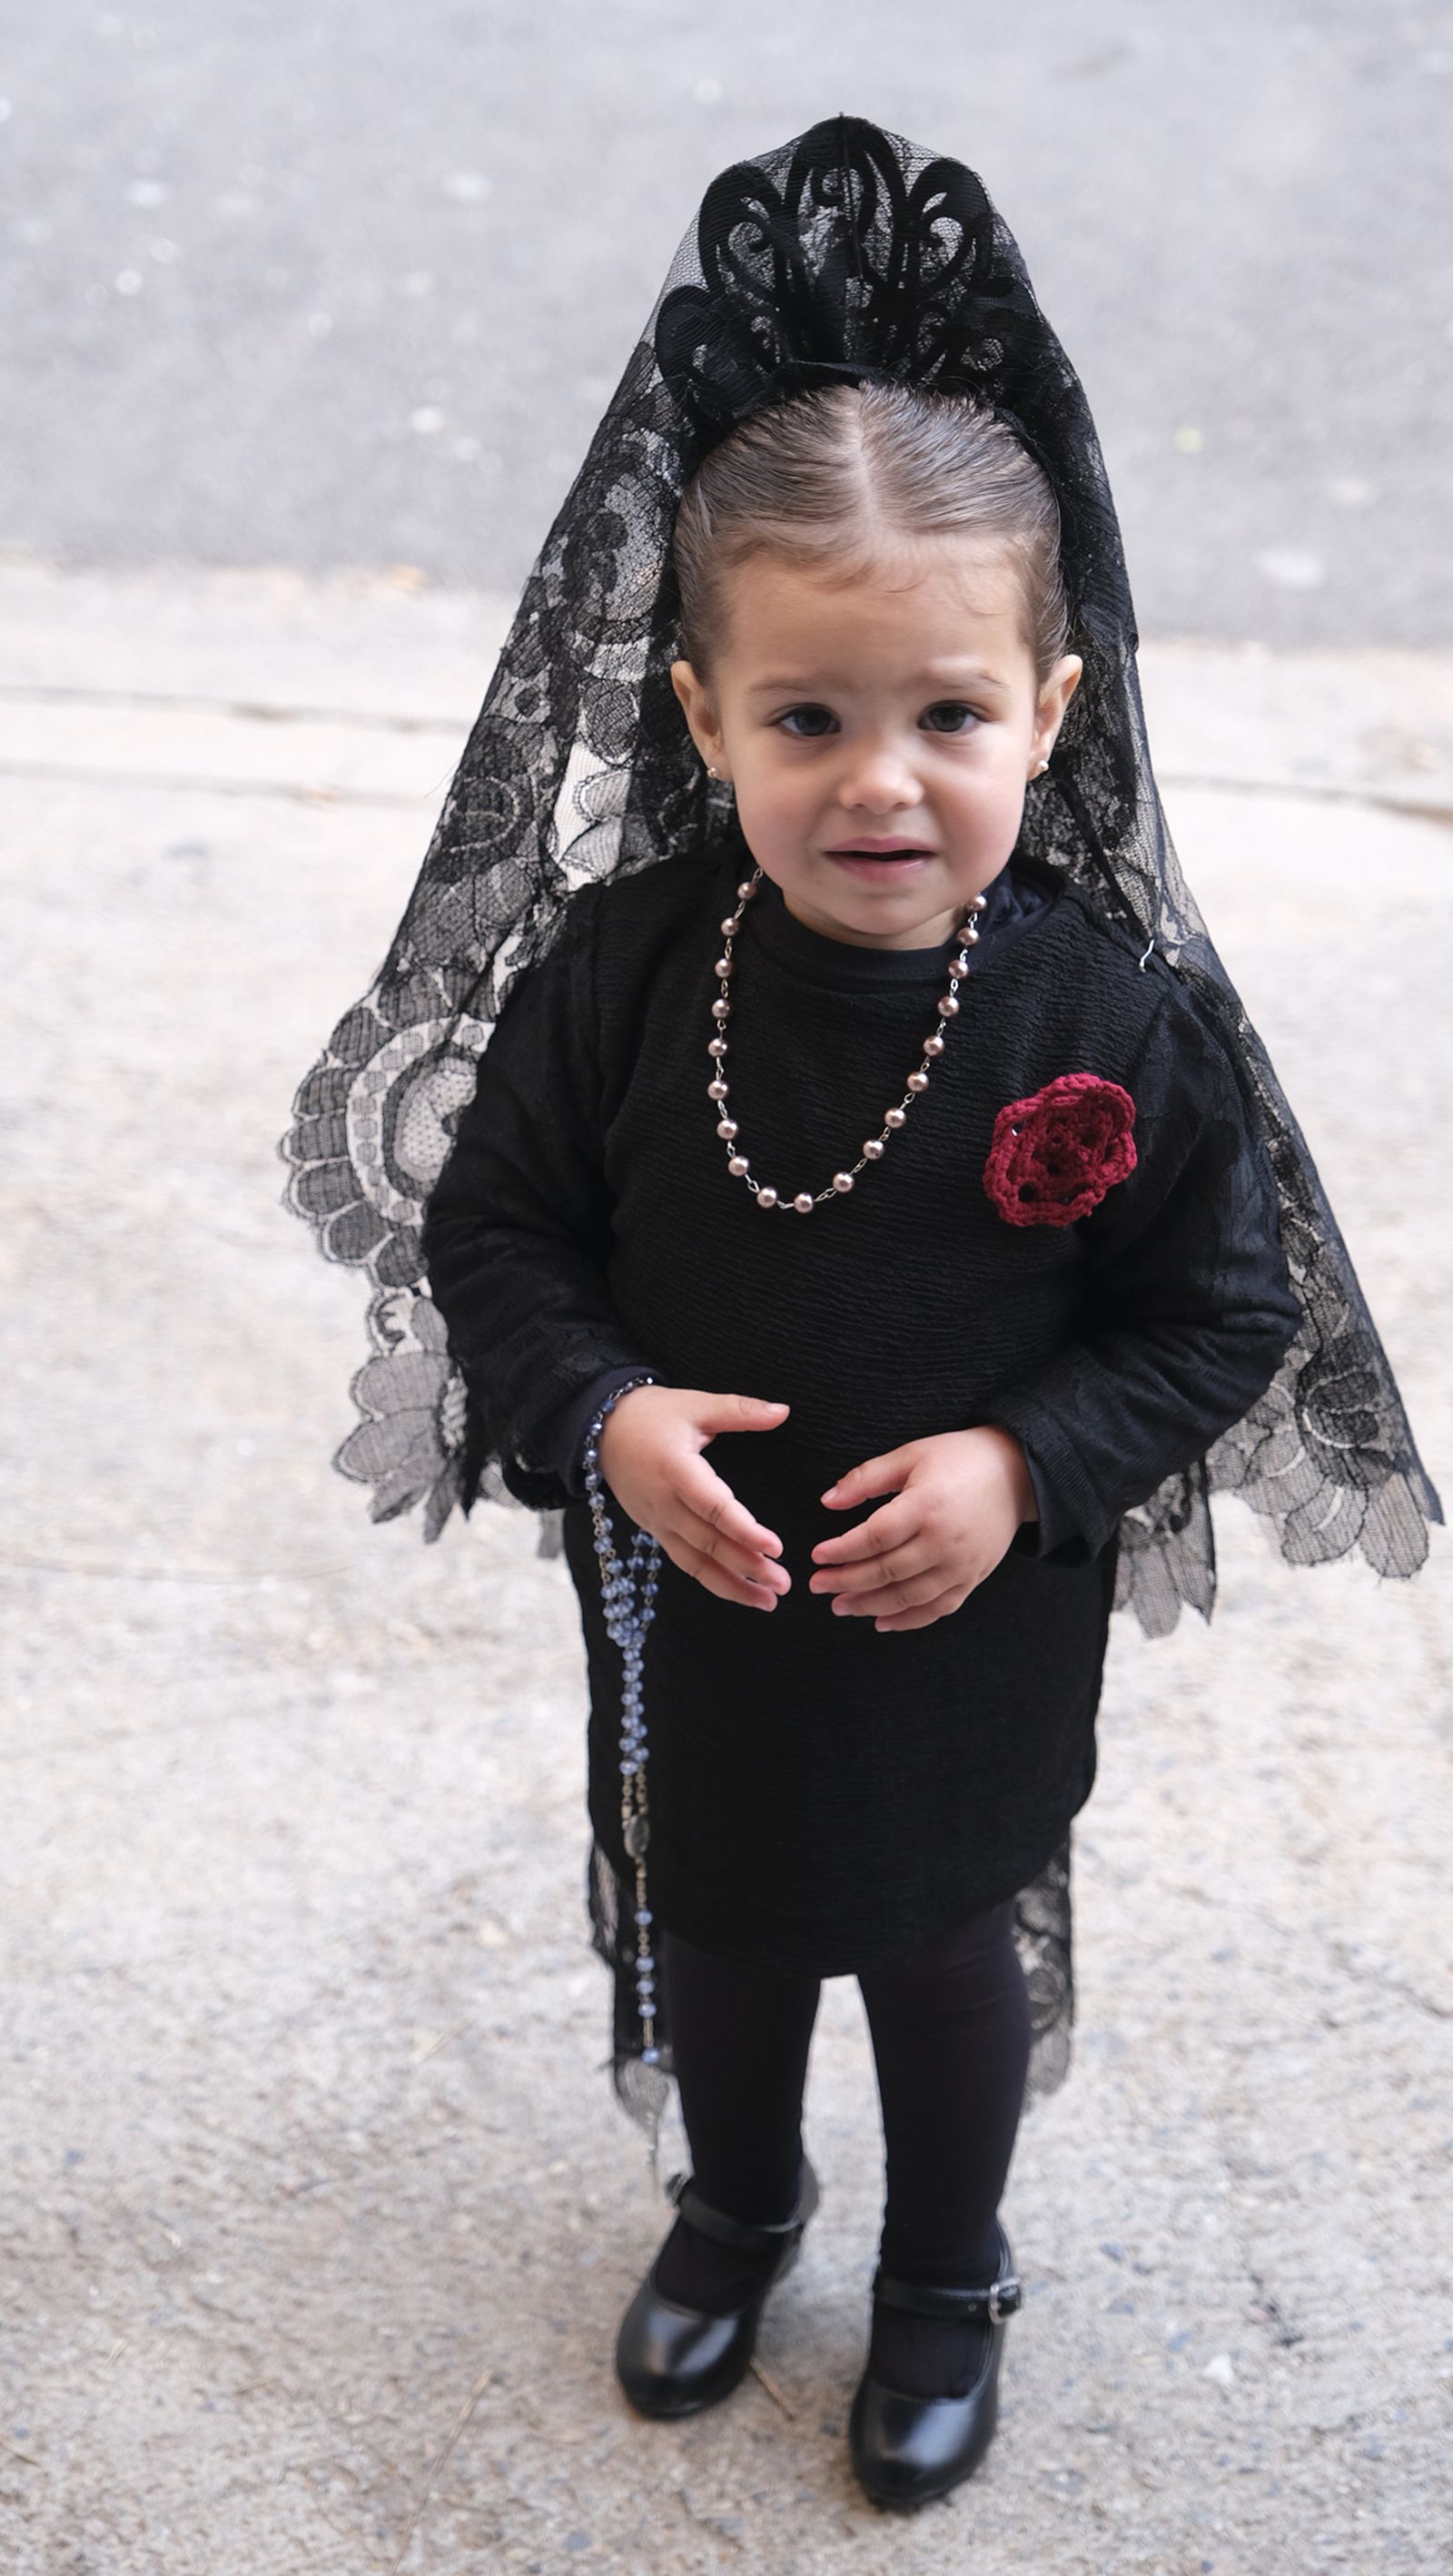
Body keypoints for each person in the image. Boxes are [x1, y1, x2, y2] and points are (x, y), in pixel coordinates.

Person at [283, 119, 1440, 2513]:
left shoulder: (1115, 1028)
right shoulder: (621, 979)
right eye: (809, 721)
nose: (881, 781)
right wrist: (596, 1413)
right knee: (718, 1927)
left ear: (1051, 701)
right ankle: (734, 2201)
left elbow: (1217, 1310)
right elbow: (498, 1237)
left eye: (948, 716)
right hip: (705, 1594)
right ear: (703, 718)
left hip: (972, 1615)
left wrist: (1026, 1461)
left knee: (938, 1949)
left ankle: (946, 2261)